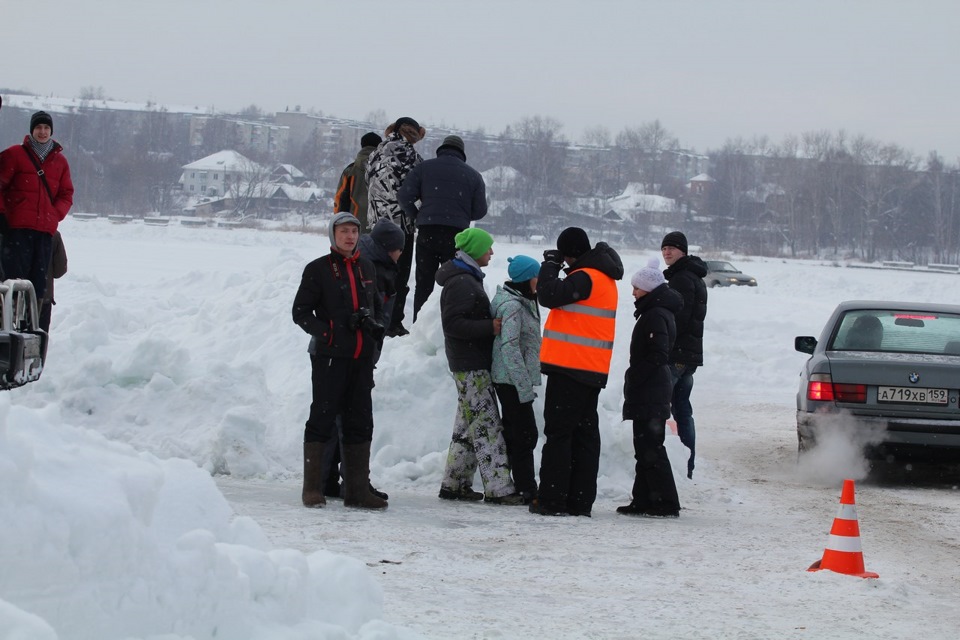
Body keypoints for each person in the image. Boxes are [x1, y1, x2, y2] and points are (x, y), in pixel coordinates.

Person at [292, 212, 387, 510]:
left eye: (354, 231)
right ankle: (313, 489)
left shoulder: (366, 266)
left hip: (360, 358)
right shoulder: (318, 269)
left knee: (360, 421)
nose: (349, 236)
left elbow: (374, 306)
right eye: (343, 231)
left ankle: (356, 491)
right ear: (333, 235)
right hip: (329, 357)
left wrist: (372, 329)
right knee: (322, 418)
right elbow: (300, 312)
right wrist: (329, 332)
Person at [531, 227, 623, 517]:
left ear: (569, 253)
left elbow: (546, 294)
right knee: (585, 436)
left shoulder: (585, 277)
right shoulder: (604, 278)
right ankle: (579, 501)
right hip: (590, 368)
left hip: (570, 366)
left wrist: (549, 265)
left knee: (559, 435)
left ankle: (552, 499)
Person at [435, 227, 523, 505]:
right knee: (486, 424)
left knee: (467, 425)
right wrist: (491, 327)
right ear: (474, 251)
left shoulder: (465, 277)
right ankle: (499, 489)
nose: (492, 253)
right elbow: (453, 324)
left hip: (467, 361)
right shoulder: (462, 282)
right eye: (488, 248)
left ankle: (455, 483)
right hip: (470, 363)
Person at [617, 258, 683, 517]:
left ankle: (665, 503)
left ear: (649, 289)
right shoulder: (654, 311)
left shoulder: (655, 314)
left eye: (636, 287)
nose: (633, 292)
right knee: (645, 448)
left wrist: (635, 376)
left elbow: (657, 354)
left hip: (651, 389)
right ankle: (644, 499)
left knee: (651, 448)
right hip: (651, 389)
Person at [397, 135, 488, 323]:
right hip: (457, 237)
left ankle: (419, 328)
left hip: (427, 232)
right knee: (453, 282)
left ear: (441, 149)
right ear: (462, 153)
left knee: (424, 282)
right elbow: (480, 211)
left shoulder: (423, 168)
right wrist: (460, 215)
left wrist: (418, 215)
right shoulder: (473, 175)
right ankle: (448, 326)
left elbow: (404, 196)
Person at [0, 111, 74, 302]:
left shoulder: (60, 162)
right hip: (17, 229)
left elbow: (66, 194)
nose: (42, 132)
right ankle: (11, 321)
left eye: (46, 128)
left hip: (43, 232)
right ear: (32, 130)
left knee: (38, 284)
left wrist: (54, 214)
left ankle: (30, 324)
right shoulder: (14, 155)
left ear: (51, 131)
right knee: (14, 281)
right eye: (39, 127)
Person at [366, 117, 425, 337]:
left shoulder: (376, 152)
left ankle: (372, 315)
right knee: (398, 275)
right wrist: (417, 215)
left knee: (374, 271)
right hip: (400, 225)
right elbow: (416, 190)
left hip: (376, 224)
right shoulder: (410, 155)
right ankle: (392, 322)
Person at [490, 255, 542, 504]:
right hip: (510, 380)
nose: (538, 281)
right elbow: (509, 348)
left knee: (518, 433)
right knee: (525, 434)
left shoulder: (523, 301)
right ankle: (526, 488)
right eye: (536, 276)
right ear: (525, 279)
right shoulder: (513, 307)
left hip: (512, 378)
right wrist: (523, 386)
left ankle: (515, 484)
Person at [660, 231, 708, 479]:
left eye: (672, 248)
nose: (667, 252)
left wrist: (661, 345)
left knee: (659, 407)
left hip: (676, 355)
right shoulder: (694, 277)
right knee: (683, 410)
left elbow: (677, 317)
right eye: (664, 248)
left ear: (683, 251)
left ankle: (673, 465)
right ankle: (687, 465)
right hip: (688, 356)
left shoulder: (681, 279)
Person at [334, 132, 382, 231]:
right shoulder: (387, 170)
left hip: (354, 227)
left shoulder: (350, 171)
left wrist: (339, 223)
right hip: (379, 228)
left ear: (362, 146)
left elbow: (339, 200)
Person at [39, 230, 67, 333]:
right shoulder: (53, 233)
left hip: (10, 296)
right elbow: (59, 270)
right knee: (40, 337)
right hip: (43, 296)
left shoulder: (8, 226)